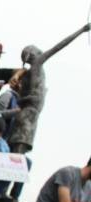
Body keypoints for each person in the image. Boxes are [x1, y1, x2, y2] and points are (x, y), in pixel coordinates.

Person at [7, 24, 91, 154]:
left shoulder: (31, 71)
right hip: (29, 111)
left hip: (28, 111)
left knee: (18, 144)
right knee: (19, 145)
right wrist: (82, 30)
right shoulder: (37, 63)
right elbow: (60, 45)